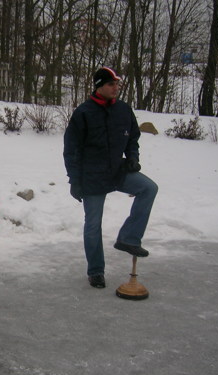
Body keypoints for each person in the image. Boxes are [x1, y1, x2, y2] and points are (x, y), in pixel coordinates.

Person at [63, 67, 158, 289]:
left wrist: (132, 157)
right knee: (93, 224)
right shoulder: (84, 113)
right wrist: (74, 180)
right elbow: (71, 150)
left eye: (117, 83)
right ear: (99, 86)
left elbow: (133, 137)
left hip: (117, 171)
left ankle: (129, 238)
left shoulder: (124, 110)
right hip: (92, 176)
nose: (116, 88)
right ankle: (96, 271)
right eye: (111, 84)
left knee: (149, 188)